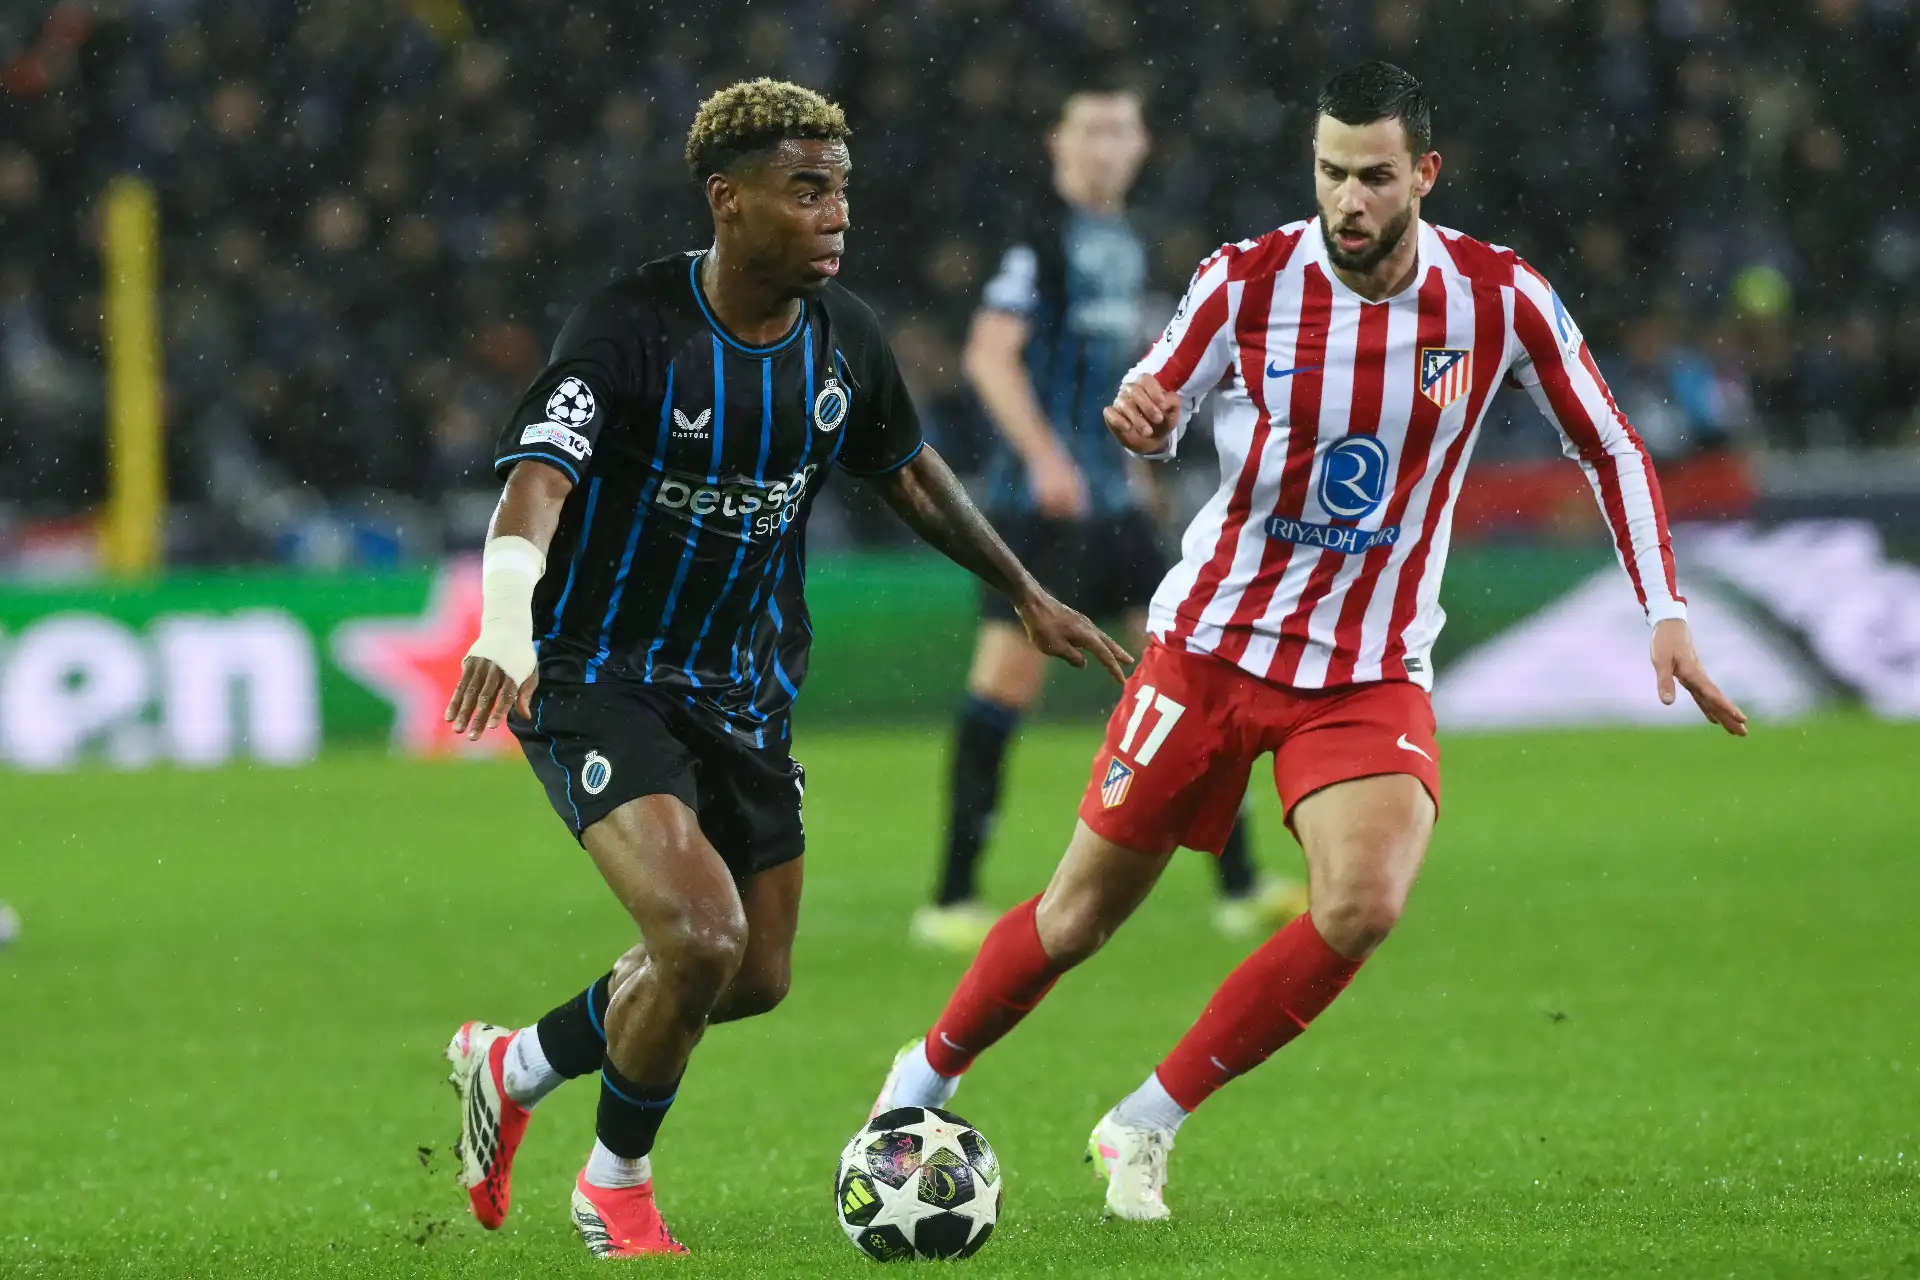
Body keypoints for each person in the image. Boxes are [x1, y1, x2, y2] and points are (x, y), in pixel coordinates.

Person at [869, 61, 1748, 1222]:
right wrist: (1142, 410)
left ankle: (1144, 1119)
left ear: (1424, 174)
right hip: (1211, 646)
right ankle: (917, 1081)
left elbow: (1615, 447)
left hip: (1367, 667)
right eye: (1332, 171)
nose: (1350, 199)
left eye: (1376, 176)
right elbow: (1161, 392)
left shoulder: (1499, 299)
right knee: (1079, 915)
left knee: (1362, 903)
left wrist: (1666, 610)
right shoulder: (1246, 279)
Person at [440, 79, 1129, 1259]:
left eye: (842, 190)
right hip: (598, 671)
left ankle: (514, 1064)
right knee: (697, 938)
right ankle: (615, 1187)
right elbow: (536, 481)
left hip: (745, 683)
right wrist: (508, 620)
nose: (835, 214)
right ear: (730, 200)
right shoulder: (630, 328)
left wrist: (1023, 589)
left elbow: (907, 470)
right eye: (806, 190)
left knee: (750, 972)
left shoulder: (842, 338)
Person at [916, 83, 1306, 953]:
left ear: (1141, 145)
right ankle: (949, 897)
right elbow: (989, 357)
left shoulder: (1125, 244)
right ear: (1059, 141)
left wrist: (1142, 474)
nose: (1104, 145)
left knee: (1194, 677)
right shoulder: (1039, 242)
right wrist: (1048, 457)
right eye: (1089, 128)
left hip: (1117, 504)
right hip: (1040, 508)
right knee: (1004, 688)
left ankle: (1239, 886)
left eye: (1120, 129)